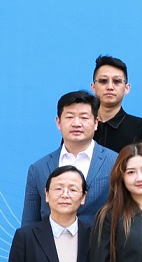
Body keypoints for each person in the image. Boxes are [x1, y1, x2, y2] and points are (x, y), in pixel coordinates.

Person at [22, 90, 116, 226]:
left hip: (100, 239)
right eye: (70, 117)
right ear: (58, 122)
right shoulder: (38, 169)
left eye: (84, 117)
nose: (76, 123)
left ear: (96, 123)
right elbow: (29, 225)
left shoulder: (115, 162)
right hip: (51, 240)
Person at [90, 55, 142, 151]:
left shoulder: (140, 128)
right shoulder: (82, 125)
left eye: (116, 81)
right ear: (93, 87)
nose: (110, 87)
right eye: (103, 81)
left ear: (127, 88)